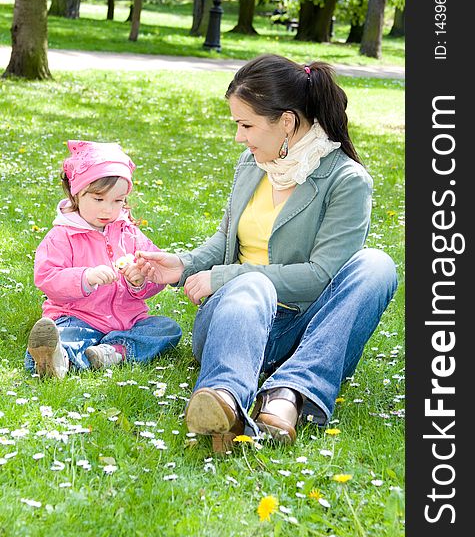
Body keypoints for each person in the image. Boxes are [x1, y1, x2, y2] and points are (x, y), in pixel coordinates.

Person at [136, 54, 398, 451]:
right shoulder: (252, 164)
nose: (239, 137)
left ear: (287, 122)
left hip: (307, 331)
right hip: (235, 322)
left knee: (377, 265)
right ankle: (224, 400)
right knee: (252, 286)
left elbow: (321, 276)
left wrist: (227, 276)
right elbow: (226, 239)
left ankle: (291, 392)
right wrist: (184, 265)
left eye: (246, 125)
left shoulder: (346, 180)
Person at [25, 140, 181, 379]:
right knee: (64, 335)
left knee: (167, 329)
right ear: (77, 193)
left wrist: (139, 281)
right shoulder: (62, 235)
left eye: (118, 201)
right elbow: (47, 278)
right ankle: (55, 358)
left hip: (128, 321)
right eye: (99, 199)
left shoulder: (129, 233)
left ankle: (113, 352)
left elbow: (156, 272)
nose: (108, 210)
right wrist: (84, 278)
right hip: (80, 317)